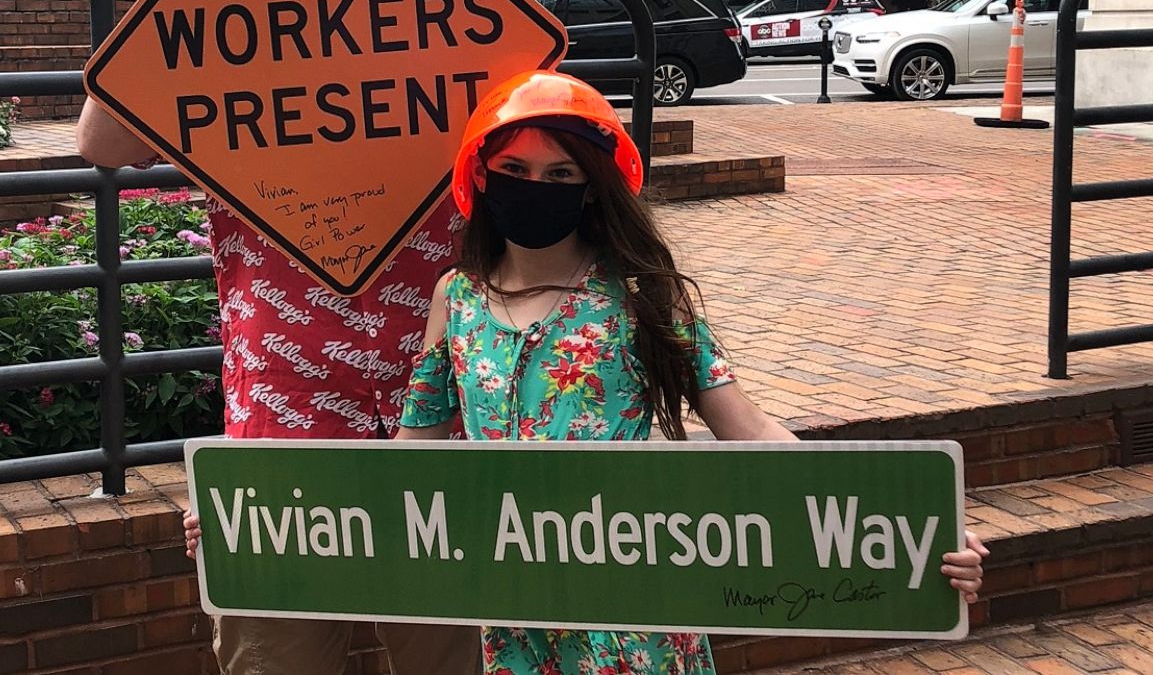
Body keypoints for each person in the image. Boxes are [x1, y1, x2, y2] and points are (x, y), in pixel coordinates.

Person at [76, 0, 499, 675]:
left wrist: (496, 0)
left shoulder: (448, 15)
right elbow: (103, 144)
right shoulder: (226, 22)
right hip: (283, 433)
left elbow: (557, 154)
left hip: (441, 426)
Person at [389, 70, 992, 674]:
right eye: (514, 170)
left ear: (592, 186)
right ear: (482, 176)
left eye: (560, 174)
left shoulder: (640, 294)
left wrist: (915, 527)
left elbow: (750, 430)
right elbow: (412, 451)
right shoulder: (457, 298)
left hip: (629, 601)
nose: (533, 187)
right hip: (515, 608)